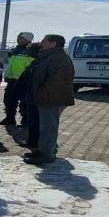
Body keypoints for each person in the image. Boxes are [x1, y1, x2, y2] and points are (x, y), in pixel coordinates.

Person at [25, 35, 74, 165]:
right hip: (46, 97)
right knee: (44, 127)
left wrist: (41, 94)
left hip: (52, 98)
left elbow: (55, 81)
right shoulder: (49, 56)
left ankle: (47, 154)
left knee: (48, 127)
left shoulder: (58, 59)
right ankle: (42, 150)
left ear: (53, 44)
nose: (41, 43)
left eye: (44, 41)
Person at [0, 32, 34, 126]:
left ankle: (25, 120)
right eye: (18, 37)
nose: (18, 39)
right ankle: (10, 119)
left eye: (21, 38)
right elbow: (10, 64)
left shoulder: (31, 51)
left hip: (24, 81)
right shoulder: (14, 50)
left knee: (24, 102)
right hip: (12, 79)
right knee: (8, 100)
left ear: (28, 40)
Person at [19, 43, 43, 151]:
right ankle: (32, 141)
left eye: (30, 51)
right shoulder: (35, 62)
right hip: (31, 95)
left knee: (35, 121)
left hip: (36, 96)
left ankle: (34, 143)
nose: (28, 53)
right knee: (32, 120)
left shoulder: (40, 62)